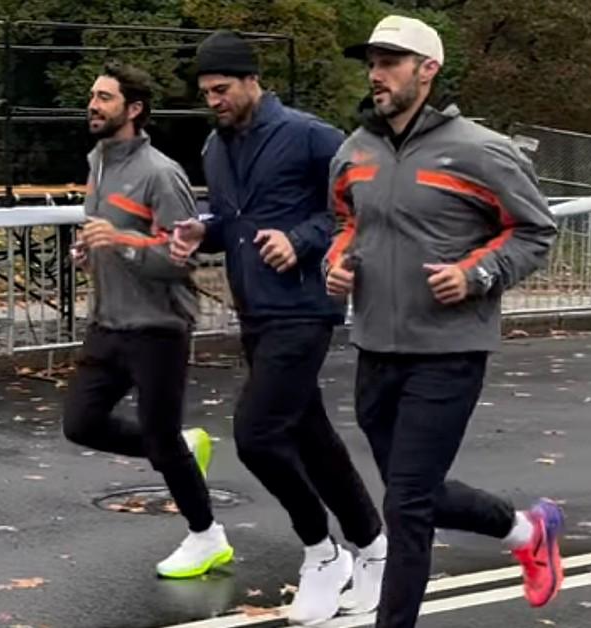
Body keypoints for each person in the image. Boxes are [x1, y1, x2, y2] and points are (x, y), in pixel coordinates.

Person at [326, 15, 563, 628]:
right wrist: (337, 263)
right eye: (372, 62)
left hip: (449, 351)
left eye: (391, 62)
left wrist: (475, 274)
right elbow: (348, 224)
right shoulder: (354, 151)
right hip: (375, 345)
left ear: (427, 70)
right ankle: (527, 530)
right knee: (419, 494)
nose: (377, 74)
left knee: (404, 505)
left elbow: (535, 230)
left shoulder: (481, 150)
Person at [170, 31, 386, 625]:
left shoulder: (312, 136)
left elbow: (354, 207)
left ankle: (322, 552)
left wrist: (302, 239)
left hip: (303, 307)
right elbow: (235, 219)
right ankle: (373, 545)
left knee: (259, 433)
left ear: (251, 80)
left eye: (221, 88)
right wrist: (200, 233)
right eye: (205, 91)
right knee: (311, 436)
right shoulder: (216, 146)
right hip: (254, 309)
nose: (213, 100)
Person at [61, 61, 232, 579]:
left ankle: (207, 536)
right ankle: (180, 447)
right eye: (92, 95)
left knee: (159, 439)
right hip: (108, 321)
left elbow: (181, 257)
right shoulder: (99, 163)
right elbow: (106, 233)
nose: (93, 104)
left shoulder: (160, 173)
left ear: (133, 110)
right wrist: (87, 251)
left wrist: (122, 246)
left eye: (105, 97)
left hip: (158, 327)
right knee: (81, 423)